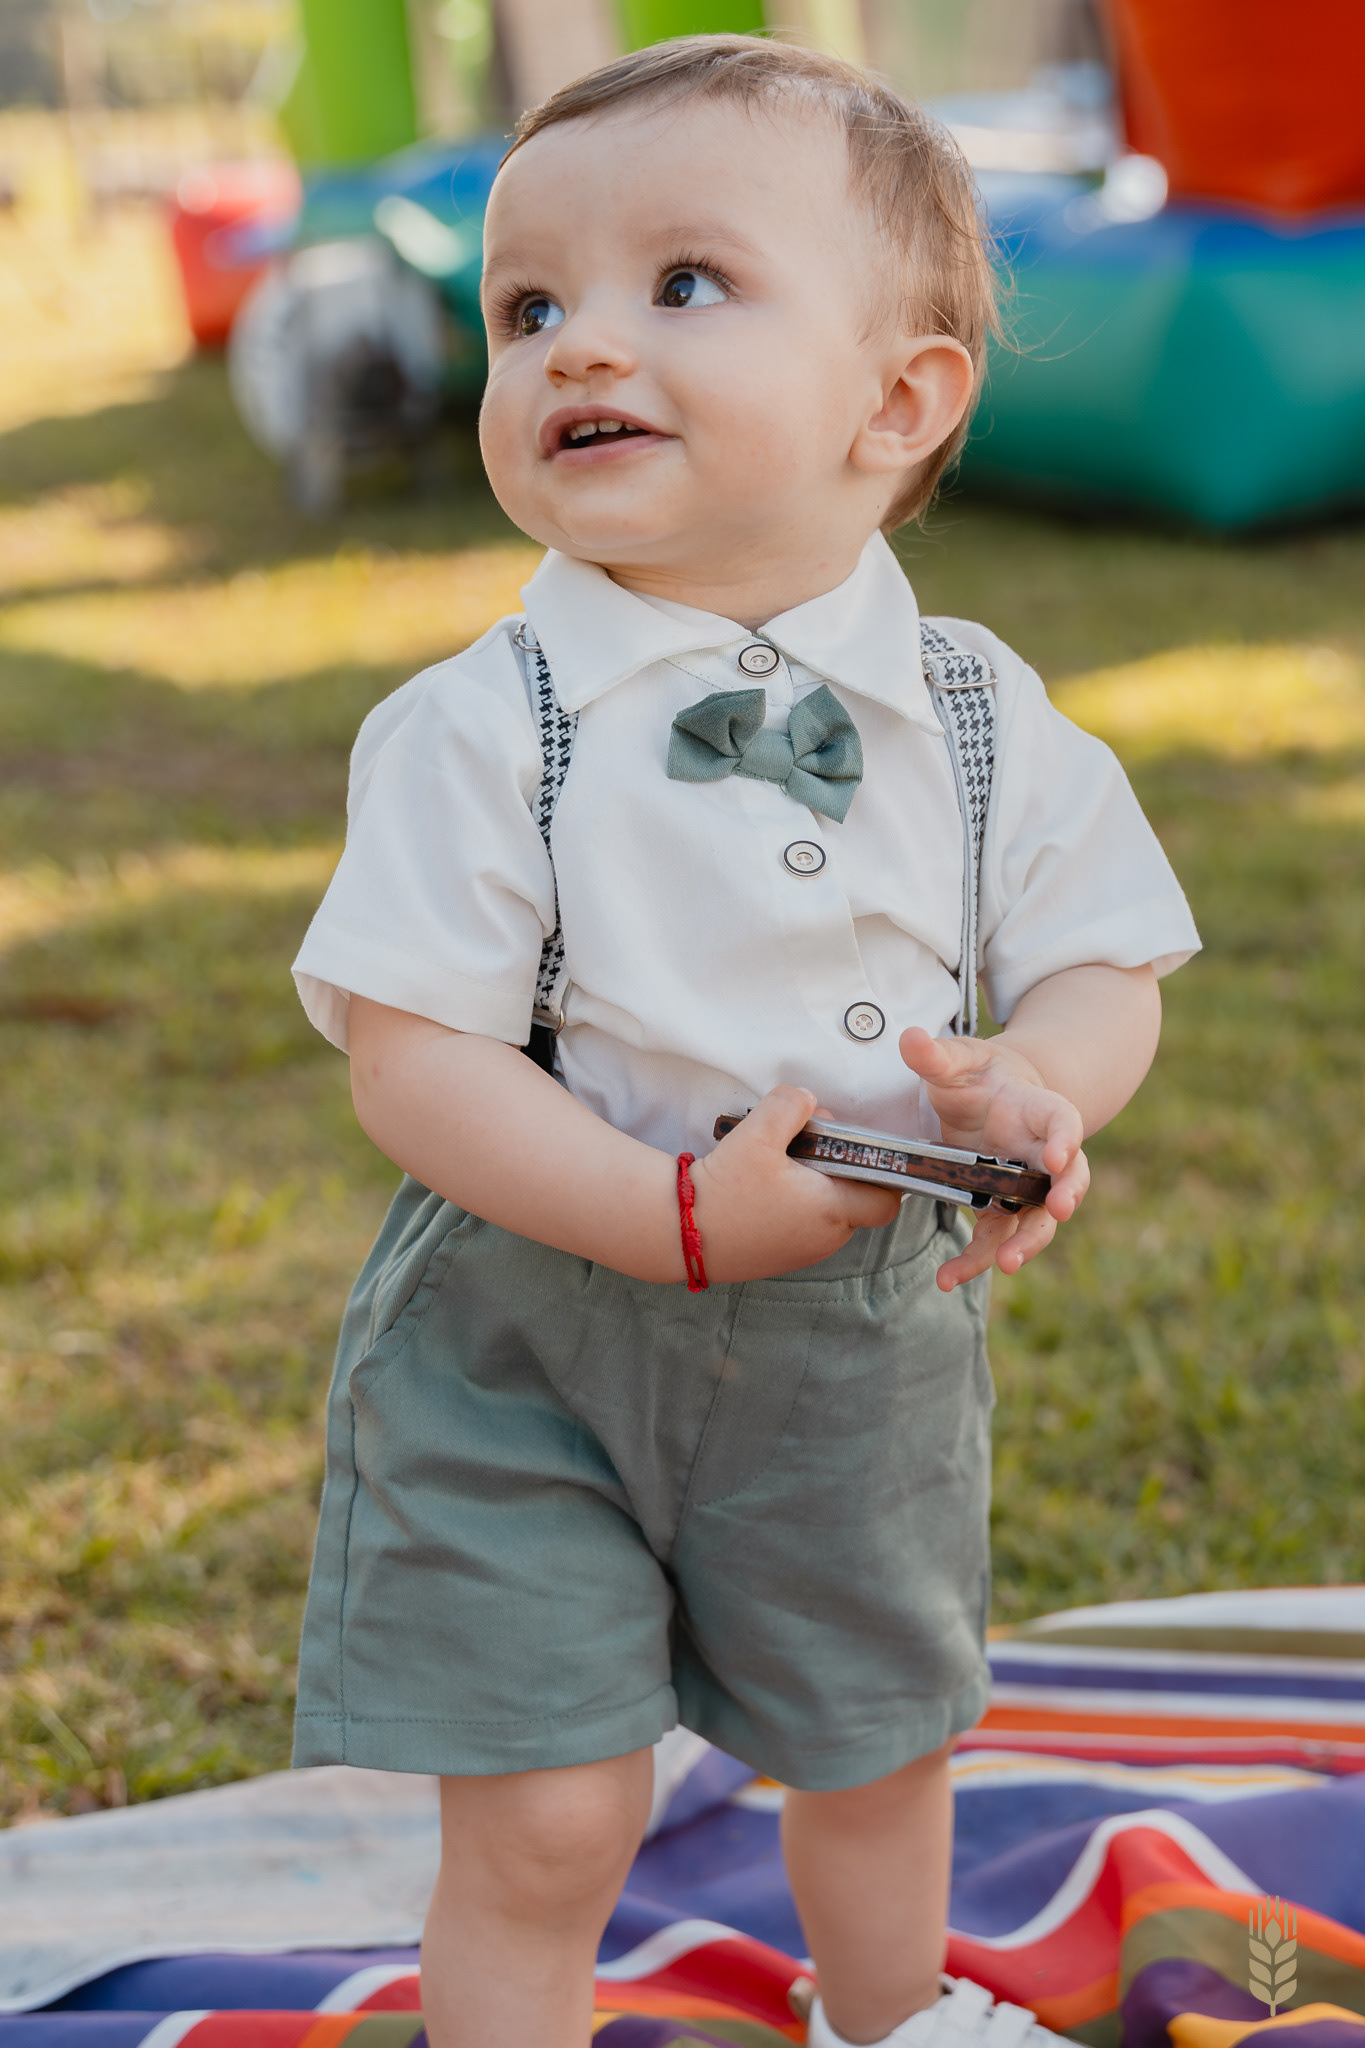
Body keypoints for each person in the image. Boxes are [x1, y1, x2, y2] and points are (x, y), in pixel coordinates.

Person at [289, 35, 1199, 2048]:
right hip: (532, 1333)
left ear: (897, 402)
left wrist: (1044, 1082)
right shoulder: (479, 722)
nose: (578, 348)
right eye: (529, 308)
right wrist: (662, 1211)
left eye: (679, 285)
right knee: (548, 1805)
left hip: (860, 1327)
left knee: (874, 1744)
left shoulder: (971, 706)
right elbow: (410, 1060)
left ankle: (889, 2018)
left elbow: (1100, 962)